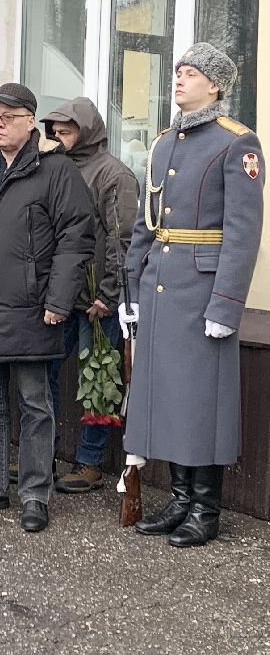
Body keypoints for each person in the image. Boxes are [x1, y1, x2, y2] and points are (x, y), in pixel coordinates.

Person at [121, 44, 263, 547]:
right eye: (177, 71)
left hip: (204, 291)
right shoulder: (164, 143)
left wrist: (226, 304)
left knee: (201, 401)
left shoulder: (237, 143)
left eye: (191, 73)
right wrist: (132, 288)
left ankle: (205, 508)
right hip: (161, 286)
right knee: (168, 396)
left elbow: (243, 233)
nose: (179, 79)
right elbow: (147, 222)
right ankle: (181, 499)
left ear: (215, 85)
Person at [0, 82, 94, 533]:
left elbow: (76, 237)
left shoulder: (56, 170)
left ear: (30, 122)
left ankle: (34, 494)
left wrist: (59, 299)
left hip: (32, 308)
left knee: (34, 404)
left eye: (8, 117)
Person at [40, 97, 138, 493]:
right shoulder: (54, 168)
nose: (58, 139)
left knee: (97, 377)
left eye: (66, 132)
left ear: (87, 132)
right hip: (61, 294)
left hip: (97, 299)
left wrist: (109, 293)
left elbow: (122, 238)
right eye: (55, 133)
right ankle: (41, 454)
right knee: (42, 369)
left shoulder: (114, 174)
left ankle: (90, 462)